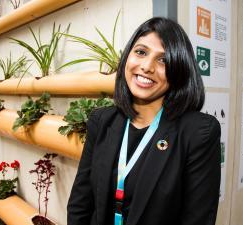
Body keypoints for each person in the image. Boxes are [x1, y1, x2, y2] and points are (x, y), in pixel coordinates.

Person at [67, 17, 221, 225]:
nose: (147, 66)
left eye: (163, 60)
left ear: (179, 70)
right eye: (141, 52)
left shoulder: (198, 133)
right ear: (127, 57)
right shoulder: (102, 120)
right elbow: (80, 203)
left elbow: (198, 219)